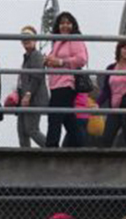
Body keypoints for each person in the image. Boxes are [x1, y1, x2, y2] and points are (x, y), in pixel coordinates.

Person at [41, 11, 89, 148]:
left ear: (73, 25)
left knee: (54, 116)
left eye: (68, 23)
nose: (65, 26)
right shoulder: (57, 42)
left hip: (66, 83)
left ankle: (51, 147)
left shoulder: (74, 39)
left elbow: (82, 59)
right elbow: (55, 60)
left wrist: (60, 62)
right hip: (56, 84)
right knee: (68, 119)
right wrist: (48, 60)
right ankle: (81, 145)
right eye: (62, 23)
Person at [11, 26, 48, 147]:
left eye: (29, 37)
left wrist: (28, 94)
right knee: (22, 131)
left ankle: (52, 149)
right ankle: (25, 159)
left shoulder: (36, 55)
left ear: (35, 39)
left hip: (32, 98)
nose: (26, 40)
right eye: (23, 37)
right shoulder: (27, 57)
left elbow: (37, 77)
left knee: (32, 129)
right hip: (24, 99)